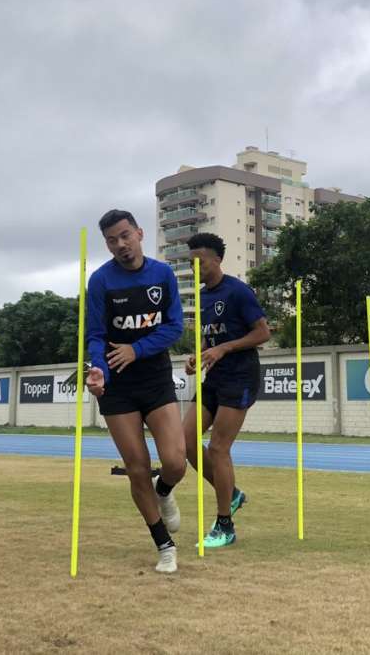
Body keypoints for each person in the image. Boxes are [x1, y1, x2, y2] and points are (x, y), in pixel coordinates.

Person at [85, 209, 187, 573]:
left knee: (176, 462)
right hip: (117, 386)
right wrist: (97, 369)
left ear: (140, 233)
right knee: (137, 468)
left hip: (155, 377)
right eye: (112, 240)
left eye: (125, 235)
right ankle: (164, 545)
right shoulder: (100, 281)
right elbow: (96, 335)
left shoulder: (162, 274)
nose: (121, 244)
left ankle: (165, 491)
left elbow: (175, 327)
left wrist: (136, 349)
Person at [182, 232, 271, 549]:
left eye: (199, 262)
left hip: (240, 376)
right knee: (185, 440)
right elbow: (211, 337)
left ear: (216, 260)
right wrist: (201, 354)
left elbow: (263, 333)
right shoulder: (202, 297)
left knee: (219, 448)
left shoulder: (238, 291)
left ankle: (225, 525)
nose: (195, 268)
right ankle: (231, 493)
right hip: (215, 377)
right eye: (190, 263)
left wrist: (225, 349)